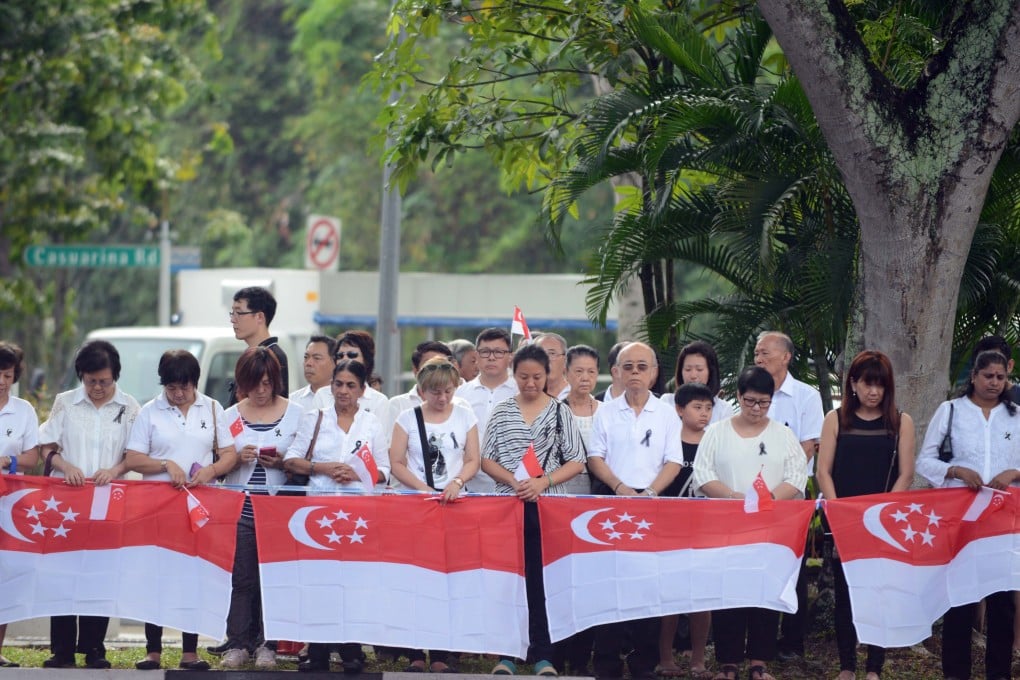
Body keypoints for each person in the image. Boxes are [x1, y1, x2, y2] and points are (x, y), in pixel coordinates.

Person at [124, 349, 238, 671]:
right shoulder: (150, 411)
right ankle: (153, 651)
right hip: (158, 506)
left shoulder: (213, 409)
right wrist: (165, 464)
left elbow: (229, 454)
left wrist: (212, 471)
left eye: (184, 388)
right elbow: (133, 458)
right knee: (156, 576)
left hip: (198, 505)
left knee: (193, 575)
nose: (177, 395)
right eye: (171, 388)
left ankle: (190, 651)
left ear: (195, 383)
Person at [691, 366, 808, 680]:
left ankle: (759, 662)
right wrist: (735, 498)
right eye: (750, 401)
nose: (756, 409)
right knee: (728, 591)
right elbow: (703, 475)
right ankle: (728, 663)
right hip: (726, 525)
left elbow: (796, 477)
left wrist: (766, 500)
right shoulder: (717, 432)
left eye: (764, 403)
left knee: (764, 591)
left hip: (770, 527)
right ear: (738, 397)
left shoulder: (782, 434)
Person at [482, 343, 586, 677]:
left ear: (548, 376)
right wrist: (514, 481)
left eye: (537, 377)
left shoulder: (560, 411)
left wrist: (543, 482)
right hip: (507, 507)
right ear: (514, 376)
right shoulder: (501, 411)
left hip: (548, 508)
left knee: (543, 582)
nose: (530, 383)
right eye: (524, 377)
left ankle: (544, 655)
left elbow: (577, 461)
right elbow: (486, 458)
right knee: (510, 580)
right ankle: (508, 654)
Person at [916, 349, 1020, 680]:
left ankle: (999, 673)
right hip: (961, 518)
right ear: (973, 376)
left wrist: (1012, 472)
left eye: (1000, 377)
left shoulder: (1016, 416)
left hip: (1003, 521)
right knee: (960, 599)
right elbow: (924, 461)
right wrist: (956, 470)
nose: (994, 382)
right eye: (988, 376)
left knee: (1003, 600)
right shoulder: (950, 412)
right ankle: (956, 673)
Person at [37, 340, 141, 669]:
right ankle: (62, 649)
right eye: (91, 381)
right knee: (64, 573)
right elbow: (45, 447)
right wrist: (64, 466)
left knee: (101, 573)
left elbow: (134, 455)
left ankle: (95, 647)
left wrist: (115, 471)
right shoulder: (65, 403)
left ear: (115, 378)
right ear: (81, 376)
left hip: (110, 501)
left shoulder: (130, 407)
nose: (97, 388)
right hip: (67, 504)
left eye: (104, 382)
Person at [816, 350, 915, 680]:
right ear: (853, 384)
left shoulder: (901, 422)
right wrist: (838, 511)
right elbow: (823, 471)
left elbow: (906, 474)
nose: (874, 392)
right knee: (846, 592)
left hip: (884, 523)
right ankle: (847, 665)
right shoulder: (836, 419)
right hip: (843, 519)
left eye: (881, 385)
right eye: (867, 384)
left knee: (880, 594)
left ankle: (874, 666)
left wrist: (884, 514)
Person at [586, 342, 683, 680]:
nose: (635, 373)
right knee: (608, 585)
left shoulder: (667, 413)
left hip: (653, 507)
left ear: (655, 373)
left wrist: (651, 491)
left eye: (642, 367)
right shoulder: (605, 411)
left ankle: (644, 663)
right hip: (613, 505)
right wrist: (620, 488)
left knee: (647, 587)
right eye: (628, 367)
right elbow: (595, 458)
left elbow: (675, 460)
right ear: (618, 372)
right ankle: (607, 662)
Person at [285, 359, 387, 673]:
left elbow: (385, 470)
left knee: (353, 583)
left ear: (362, 390)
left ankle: (351, 648)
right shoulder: (315, 418)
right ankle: (317, 649)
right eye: (338, 384)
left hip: (358, 515)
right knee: (321, 581)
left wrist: (356, 474)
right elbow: (291, 460)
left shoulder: (371, 423)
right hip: (319, 513)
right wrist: (323, 468)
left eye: (350, 386)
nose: (343, 391)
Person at [387, 358, 479, 672]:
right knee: (416, 577)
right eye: (435, 392)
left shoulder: (465, 415)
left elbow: (472, 459)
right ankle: (414, 651)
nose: (442, 398)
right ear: (424, 390)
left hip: (454, 505)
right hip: (417, 505)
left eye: (448, 392)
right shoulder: (407, 418)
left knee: (447, 579)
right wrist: (422, 488)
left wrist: (456, 482)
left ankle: (441, 652)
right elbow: (397, 461)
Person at [219, 348, 305, 669]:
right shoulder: (229, 416)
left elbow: (301, 459)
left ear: (275, 382)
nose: (260, 390)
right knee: (242, 578)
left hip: (278, 508)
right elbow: (220, 462)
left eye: (266, 383)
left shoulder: (296, 413)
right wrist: (234, 460)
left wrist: (283, 461)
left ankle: (269, 643)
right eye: (253, 383)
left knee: (273, 579)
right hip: (240, 506)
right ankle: (238, 642)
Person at [753, 331, 823, 660]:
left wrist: (780, 487)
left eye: (765, 352)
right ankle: (756, 640)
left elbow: (809, 446)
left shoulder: (805, 396)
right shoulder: (750, 392)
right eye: (756, 352)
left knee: (791, 565)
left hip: (790, 495)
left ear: (786, 357)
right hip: (751, 494)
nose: (759, 358)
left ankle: (792, 641)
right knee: (755, 563)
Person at [656, 382, 716, 679]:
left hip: (704, 529)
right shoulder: (668, 442)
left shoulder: (715, 441)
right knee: (670, 595)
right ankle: (665, 658)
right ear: (679, 410)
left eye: (708, 408)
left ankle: (698, 660)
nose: (704, 413)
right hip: (669, 529)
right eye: (697, 407)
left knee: (700, 597)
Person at [0, 341, 40, 669]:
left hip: (8, 504)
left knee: (4, 575)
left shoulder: (24, 411)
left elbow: (32, 456)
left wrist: (6, 459)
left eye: (7, 374)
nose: (1, 381)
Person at [455, 327, 519, 493]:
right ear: (476, 356)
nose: (491, 357)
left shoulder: (520, 391)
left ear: (510, 357)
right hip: (468, 484)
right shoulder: (460, 394)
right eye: (485, 352)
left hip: (514, 484)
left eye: (498, 352)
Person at [228, 286, 289, 405]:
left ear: (260, 317)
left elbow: (275, 411)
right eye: (232, 313)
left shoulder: (274, 356)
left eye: (239, 313)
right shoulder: (249, 355)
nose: (233, 320)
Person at [313, 330, 390, 419]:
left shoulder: (379, 401)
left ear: (366, 360)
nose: (345, 359)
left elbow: (383, 433)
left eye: (352, 355)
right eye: (340, 356)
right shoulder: (322, 395)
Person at [659, 341, 732, 423]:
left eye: (699, 369)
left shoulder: (723, 410)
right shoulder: (667, 402)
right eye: (688, 369)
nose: (693, 375)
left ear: (711, 372)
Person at [289, 335, 337, 412]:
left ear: (335, 362)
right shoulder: (292, 401)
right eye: (306, 357)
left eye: (317, 358)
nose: (308, 363)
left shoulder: (343, 399)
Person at [535, 333, 571, 400]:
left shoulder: (578, 396)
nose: (546, 359)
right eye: (540, 354)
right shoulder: (523, 398)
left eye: (552, 354)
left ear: (565, 359)